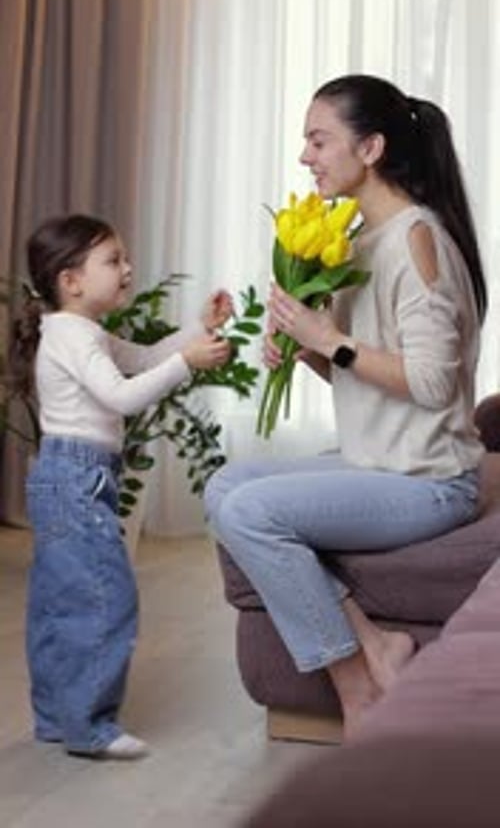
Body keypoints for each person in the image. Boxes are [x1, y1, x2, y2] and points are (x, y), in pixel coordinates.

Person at [204, 74, 488, 739]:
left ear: (372, 148)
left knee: (250, 509)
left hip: (429, 482)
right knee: (224, 485)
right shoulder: (363, 238)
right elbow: (365, 376)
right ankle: (371, 639)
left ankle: (355, 681)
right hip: (378, 463)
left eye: (318, 138)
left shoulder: (418, 239)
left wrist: (328, 338)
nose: (305, 155)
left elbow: (432, 385)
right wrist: (305, 350)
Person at [15, 213, 233, 760]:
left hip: (71, 476)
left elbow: (139, 359)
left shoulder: (78, 332)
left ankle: (56, 719)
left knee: (59, 603)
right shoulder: (72, 337)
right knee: (104, 598)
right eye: (113, 261)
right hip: (76, 479)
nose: (128, 268)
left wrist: (196, 333)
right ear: (71, 281)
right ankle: (89, 726)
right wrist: (188, 363)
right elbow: (123, 396)